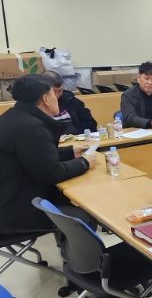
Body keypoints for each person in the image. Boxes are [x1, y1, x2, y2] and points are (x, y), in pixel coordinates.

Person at [0, 74, 97, 234]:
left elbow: (35, 156)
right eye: (54, 93)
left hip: (9, 201)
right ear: (46, 98)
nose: (57, 98)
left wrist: (70, 152)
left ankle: (67, 245)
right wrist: (84, 162)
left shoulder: (15, 117)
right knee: (84, 216)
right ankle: (75, 250)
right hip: (17, 211)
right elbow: (52, 173)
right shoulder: (31, 127)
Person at [43, 70, 98, 135]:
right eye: (54, 91)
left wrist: (82, 135)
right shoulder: (39, 105)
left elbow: (90, 123)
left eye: (60, 90)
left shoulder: (71, 100)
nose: (57, 95)